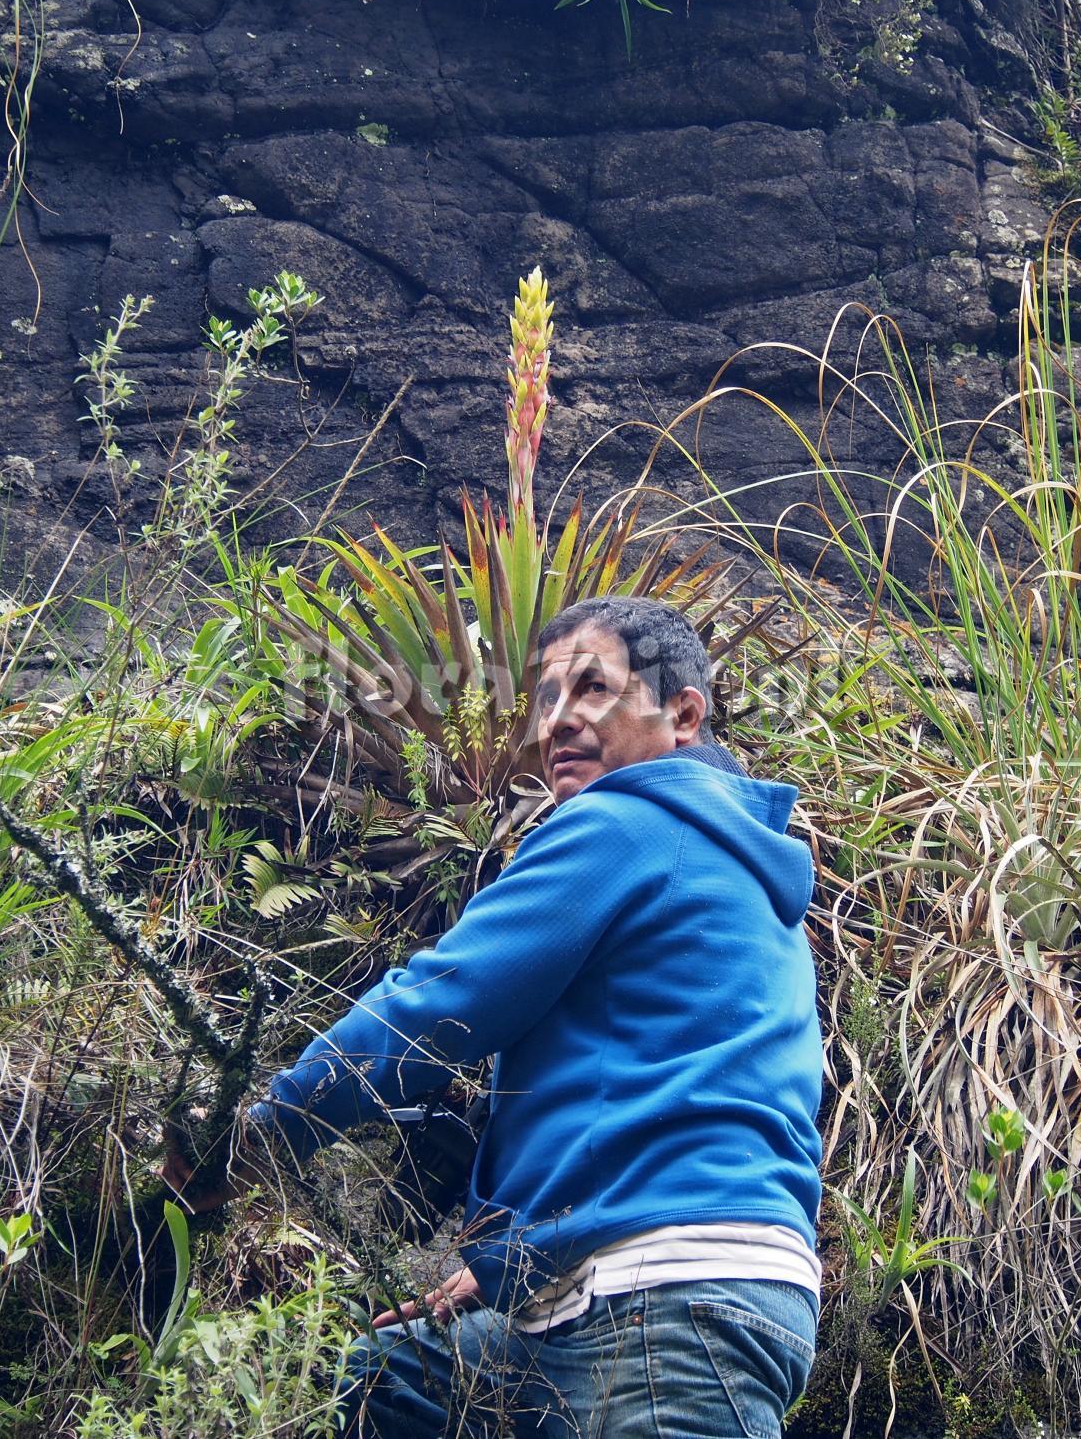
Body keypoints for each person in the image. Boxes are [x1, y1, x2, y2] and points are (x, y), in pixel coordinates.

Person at [244, 595, 824, 1437]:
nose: (558, 721)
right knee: (393, 1379)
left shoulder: (628, 821)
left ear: (683, 715)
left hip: (666, 1299)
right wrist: (525, 1256)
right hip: (664, 1284)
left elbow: (443, 1003)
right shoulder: (736, 879)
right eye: (545, 699)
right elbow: (658, 1083)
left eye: (592, 689)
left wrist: (267, 1131)